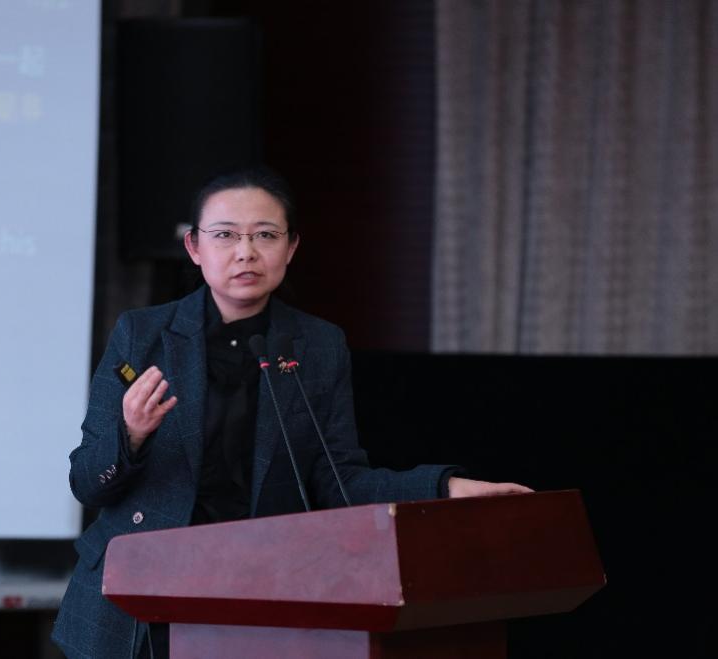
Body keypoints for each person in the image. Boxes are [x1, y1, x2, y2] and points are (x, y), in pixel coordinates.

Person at [51, 167, 531, 659]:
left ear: (291, 247)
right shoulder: (142, 335)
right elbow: (86, 482)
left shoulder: (318, 345)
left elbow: (340, 481)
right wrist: (130, 435)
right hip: (138, 601)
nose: (246, 252)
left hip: (259, 597)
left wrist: (444, 488)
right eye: (225, 235)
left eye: (265, 235)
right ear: (194, 247)